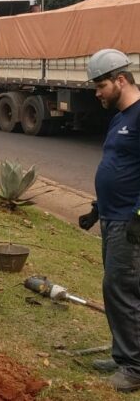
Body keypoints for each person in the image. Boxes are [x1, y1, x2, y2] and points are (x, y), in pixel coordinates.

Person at [79, 48, 140, 392]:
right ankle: (123, 357)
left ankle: (134, 367)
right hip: (112, 218)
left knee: (123, 289)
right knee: (116, 287)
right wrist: (97, 208)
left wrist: (138, 216)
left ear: (120, 80)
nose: (98, 93)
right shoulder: (119, 118)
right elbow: (119, 167)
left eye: (101, 85)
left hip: (130, 224)